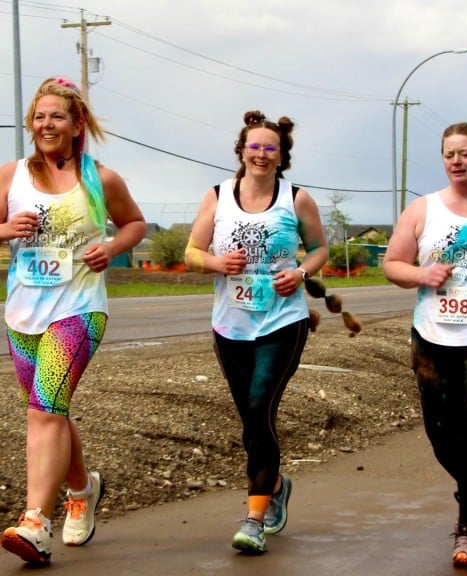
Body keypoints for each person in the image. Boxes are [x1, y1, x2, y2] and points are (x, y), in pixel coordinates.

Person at [0, 77, 147, 565]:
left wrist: (111, 247)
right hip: (23, 314)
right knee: (51, 408)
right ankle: (82, 489)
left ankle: (35, 521)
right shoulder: (11, 176)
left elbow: (135, 224)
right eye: (39, 116)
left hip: (79, 310)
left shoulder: (99, 179)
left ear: (77, 123)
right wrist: (4, 230)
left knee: (43, 411)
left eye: (56, 116)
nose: (46, 124)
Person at [184, 110, 328, 554]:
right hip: (231, 323)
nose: (262, 154)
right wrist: (215, 263)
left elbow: (321, 248)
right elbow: (192, 252)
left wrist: (301, 274)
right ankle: (277, 484)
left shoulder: (297, 198)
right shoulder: (217, 196)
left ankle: (254, 517)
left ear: (282, 155)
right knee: (250, 417)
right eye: (255, 146)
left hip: (283, 320)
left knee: (260, 406)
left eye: (271, 147)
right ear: (241, 151)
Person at [382, 122, 467, 568]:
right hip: (433, 336)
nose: (457, 161)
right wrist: (422, 275)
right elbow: (392, 265)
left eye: (466, 153)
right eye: (449, 154)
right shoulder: (422, 210)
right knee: (442, 436)